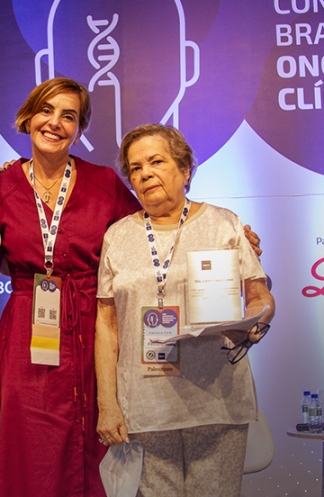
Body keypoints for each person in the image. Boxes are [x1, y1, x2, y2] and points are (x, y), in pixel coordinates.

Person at [94, 123, 275, 497]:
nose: (145, 173)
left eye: (156, 161)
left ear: (185, 169)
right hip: (144, 407)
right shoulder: (117, 235)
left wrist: (254, 325)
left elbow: (259, 297)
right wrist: (107, 403)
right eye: (135, 168)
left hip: (217, 400)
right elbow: (107, 325)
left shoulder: (224, 224)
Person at [0, 78, 142, 497]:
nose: (55, 123)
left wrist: (216, 238)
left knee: (94, 446)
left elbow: (148, 241)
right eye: (46, 110)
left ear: (79, 129)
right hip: (26, 337)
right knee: (28, 449)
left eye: (68, 116)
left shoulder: (104, 183)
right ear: (27, 118)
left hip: (95, 332)